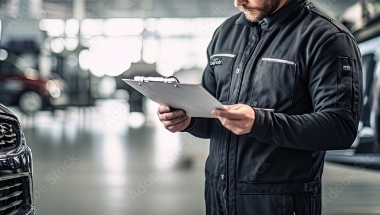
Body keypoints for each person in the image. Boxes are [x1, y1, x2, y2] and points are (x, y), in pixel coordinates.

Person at [157, 0, 363, 214]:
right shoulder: (225, 33)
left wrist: (260, 122)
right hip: (218, 198)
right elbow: (213, 118)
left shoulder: (326, 37)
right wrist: (189, 120)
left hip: (279, 202)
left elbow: (340, 128)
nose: (238, 3)